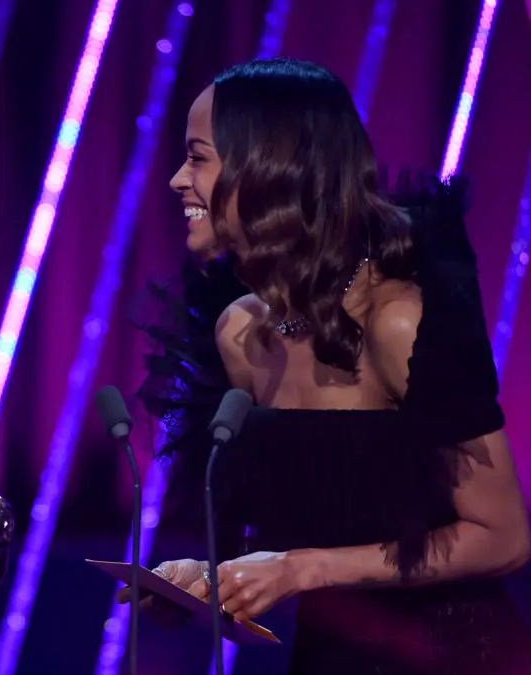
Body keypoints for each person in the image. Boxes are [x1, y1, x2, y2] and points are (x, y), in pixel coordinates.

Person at [122, 58, 531, 674]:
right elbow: (300, 538)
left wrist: (304, 568)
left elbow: (504, 538)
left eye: (198, 157)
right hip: (331, 655)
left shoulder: (397, 322)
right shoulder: (240, 333)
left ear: (270, 167)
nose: (179, 179)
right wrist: (209, 581)